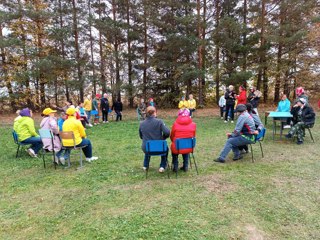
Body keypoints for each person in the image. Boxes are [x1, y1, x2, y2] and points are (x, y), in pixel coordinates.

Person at [139, 106, 170, 173]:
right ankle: (162, 166)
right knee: (165, 149)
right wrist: (163, 138)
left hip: (147, 148)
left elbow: (141, 136)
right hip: (159, 148)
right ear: (154, 113)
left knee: (148, 145)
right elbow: (167, 132)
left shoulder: (141, 123)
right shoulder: (159, 122)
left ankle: (145, 165)